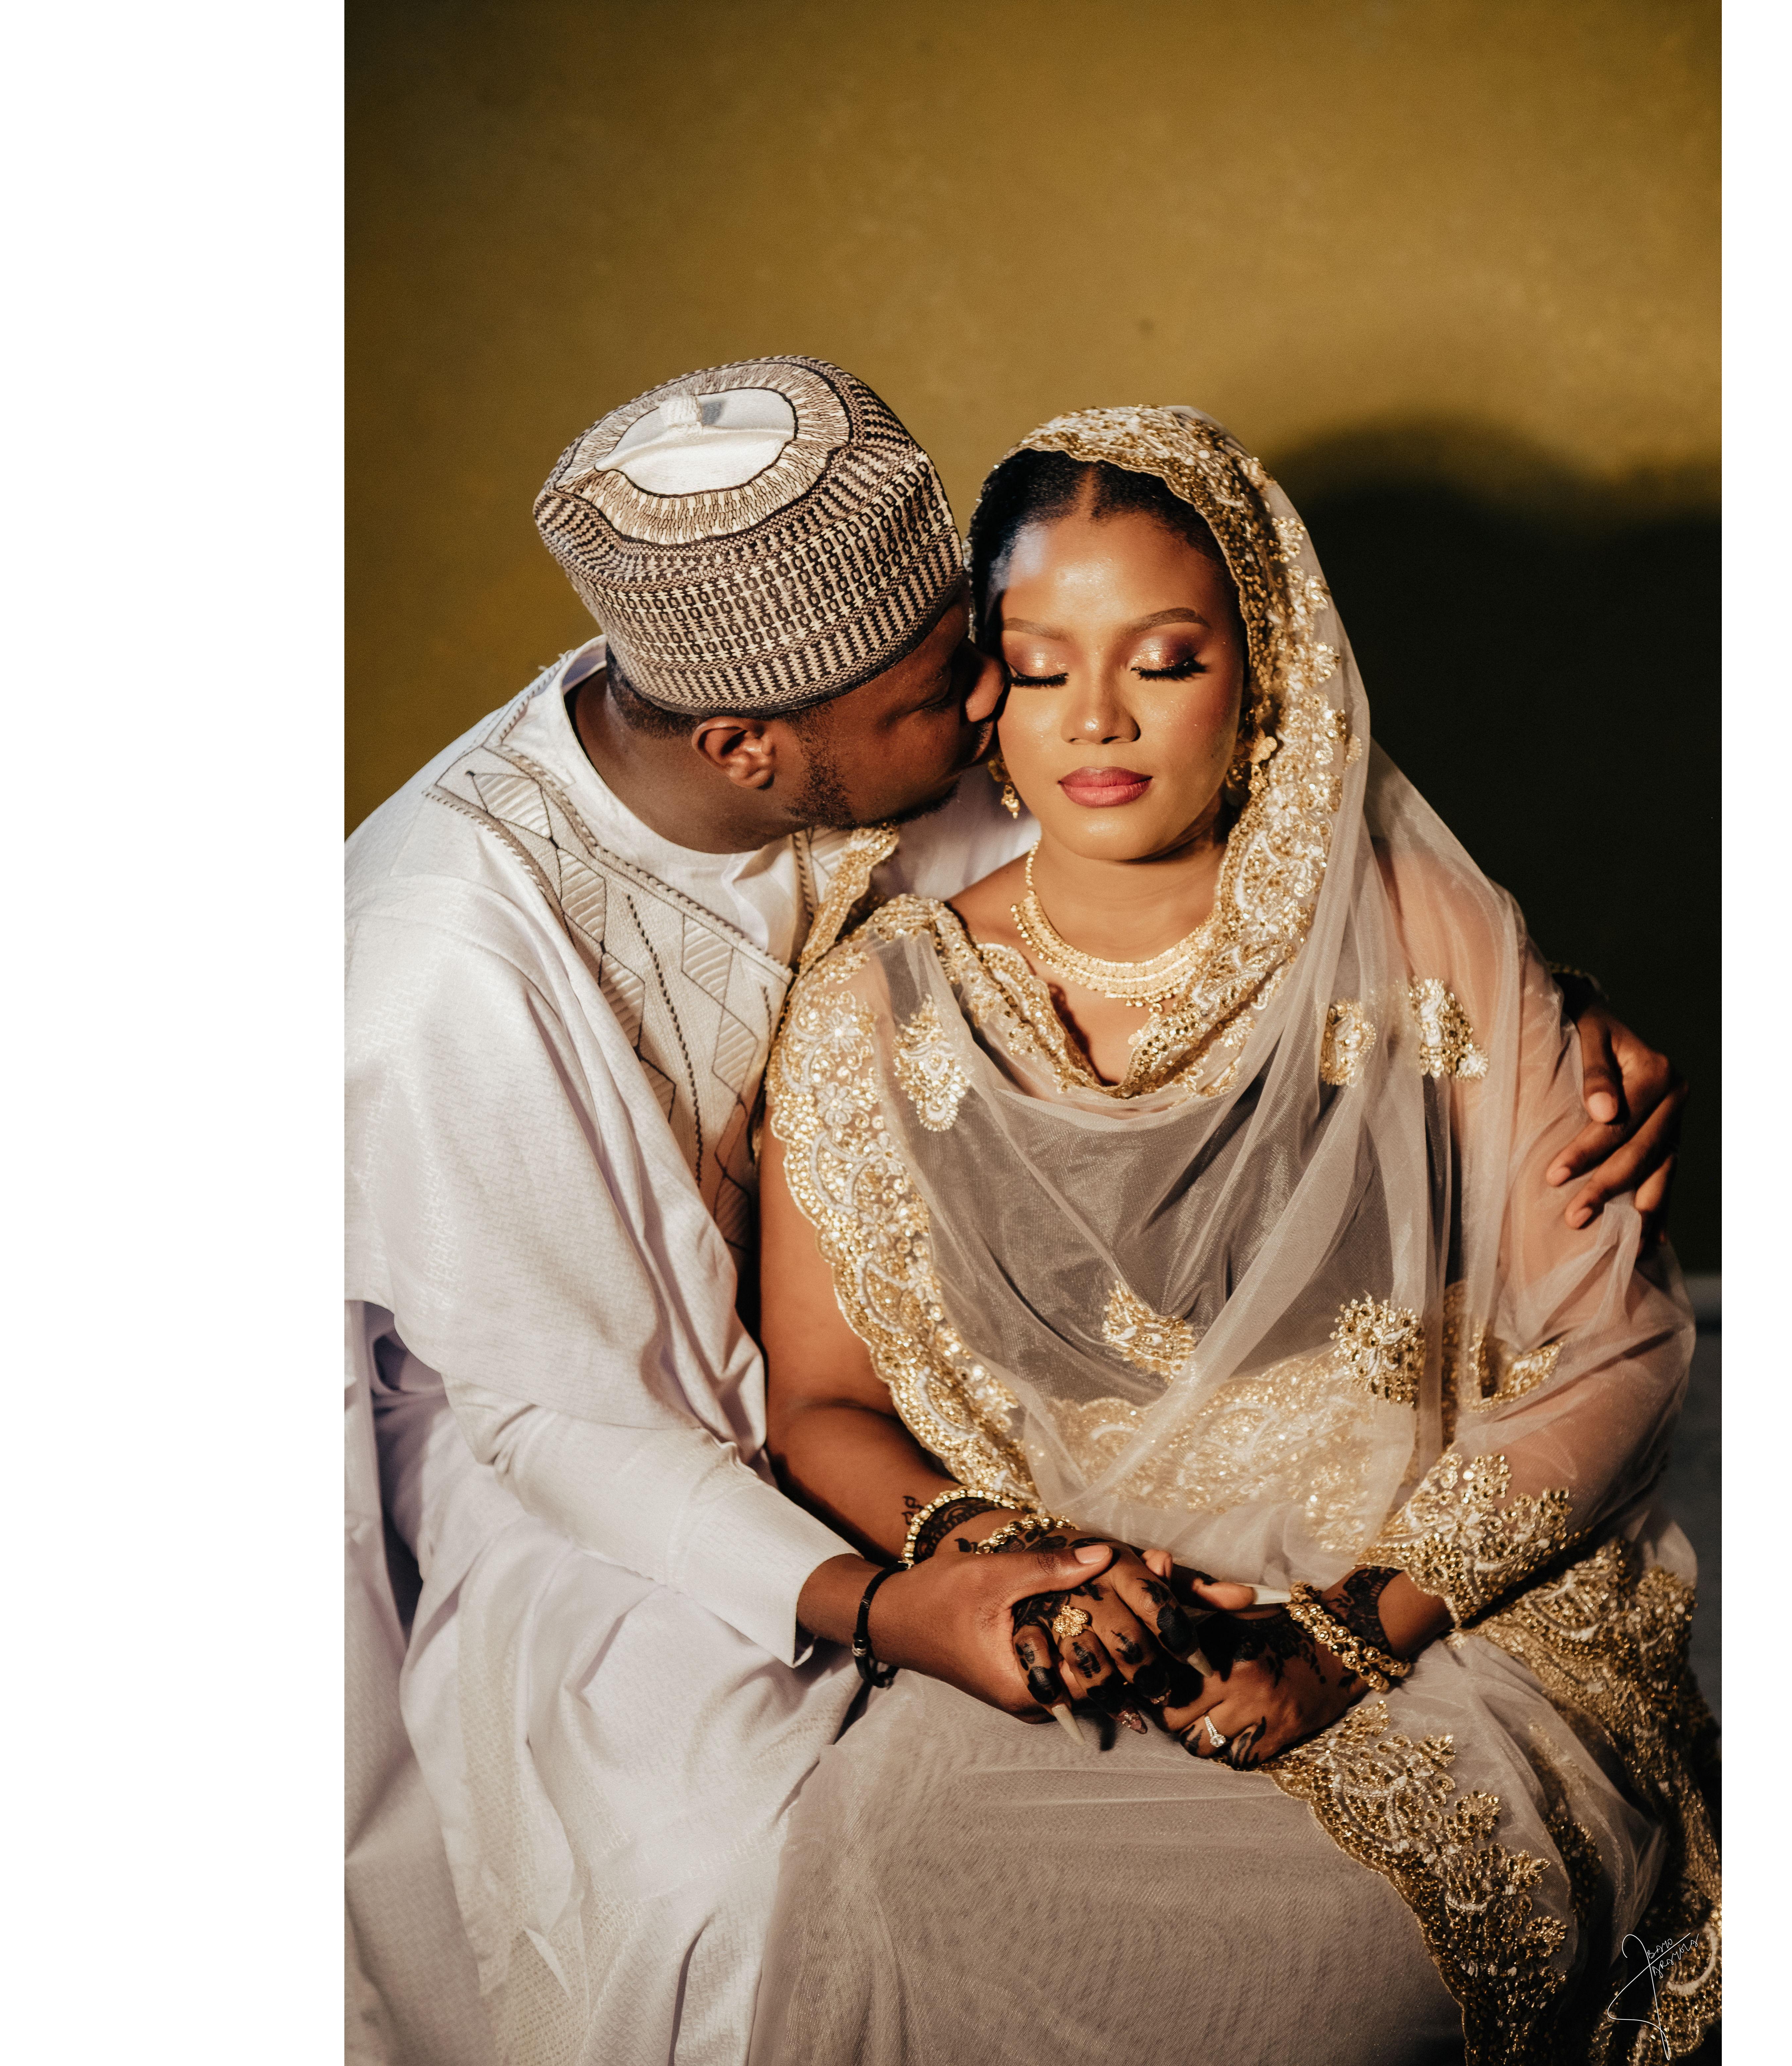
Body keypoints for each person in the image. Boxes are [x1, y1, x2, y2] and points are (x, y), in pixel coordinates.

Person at [345, 360, 1688, 2065]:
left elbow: (1574, 1299)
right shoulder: (442, 978)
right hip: (633, 1478)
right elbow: (580, 1422)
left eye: (1006, 652)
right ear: (752, 750)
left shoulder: (923, 741)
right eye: (992, 674)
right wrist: (924, 1578)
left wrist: (1531, 1020)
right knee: (734, 1897)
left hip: (1309, 1541)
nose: (1012, 706)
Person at [750, 407, 1719, 2065]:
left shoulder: (1414, 927)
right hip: (1081, 1615)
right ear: (984, 691)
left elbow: (1615, 1343)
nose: (1097, 720)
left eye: (1165, 660)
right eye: (1041, 667)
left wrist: (1343, 1635)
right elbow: (822, 1401)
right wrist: (1009, 1565)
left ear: (1261, 673)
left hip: (1422, 1601)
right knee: (897, 1910)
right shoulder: (874, 1009)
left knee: (1289, 1985)